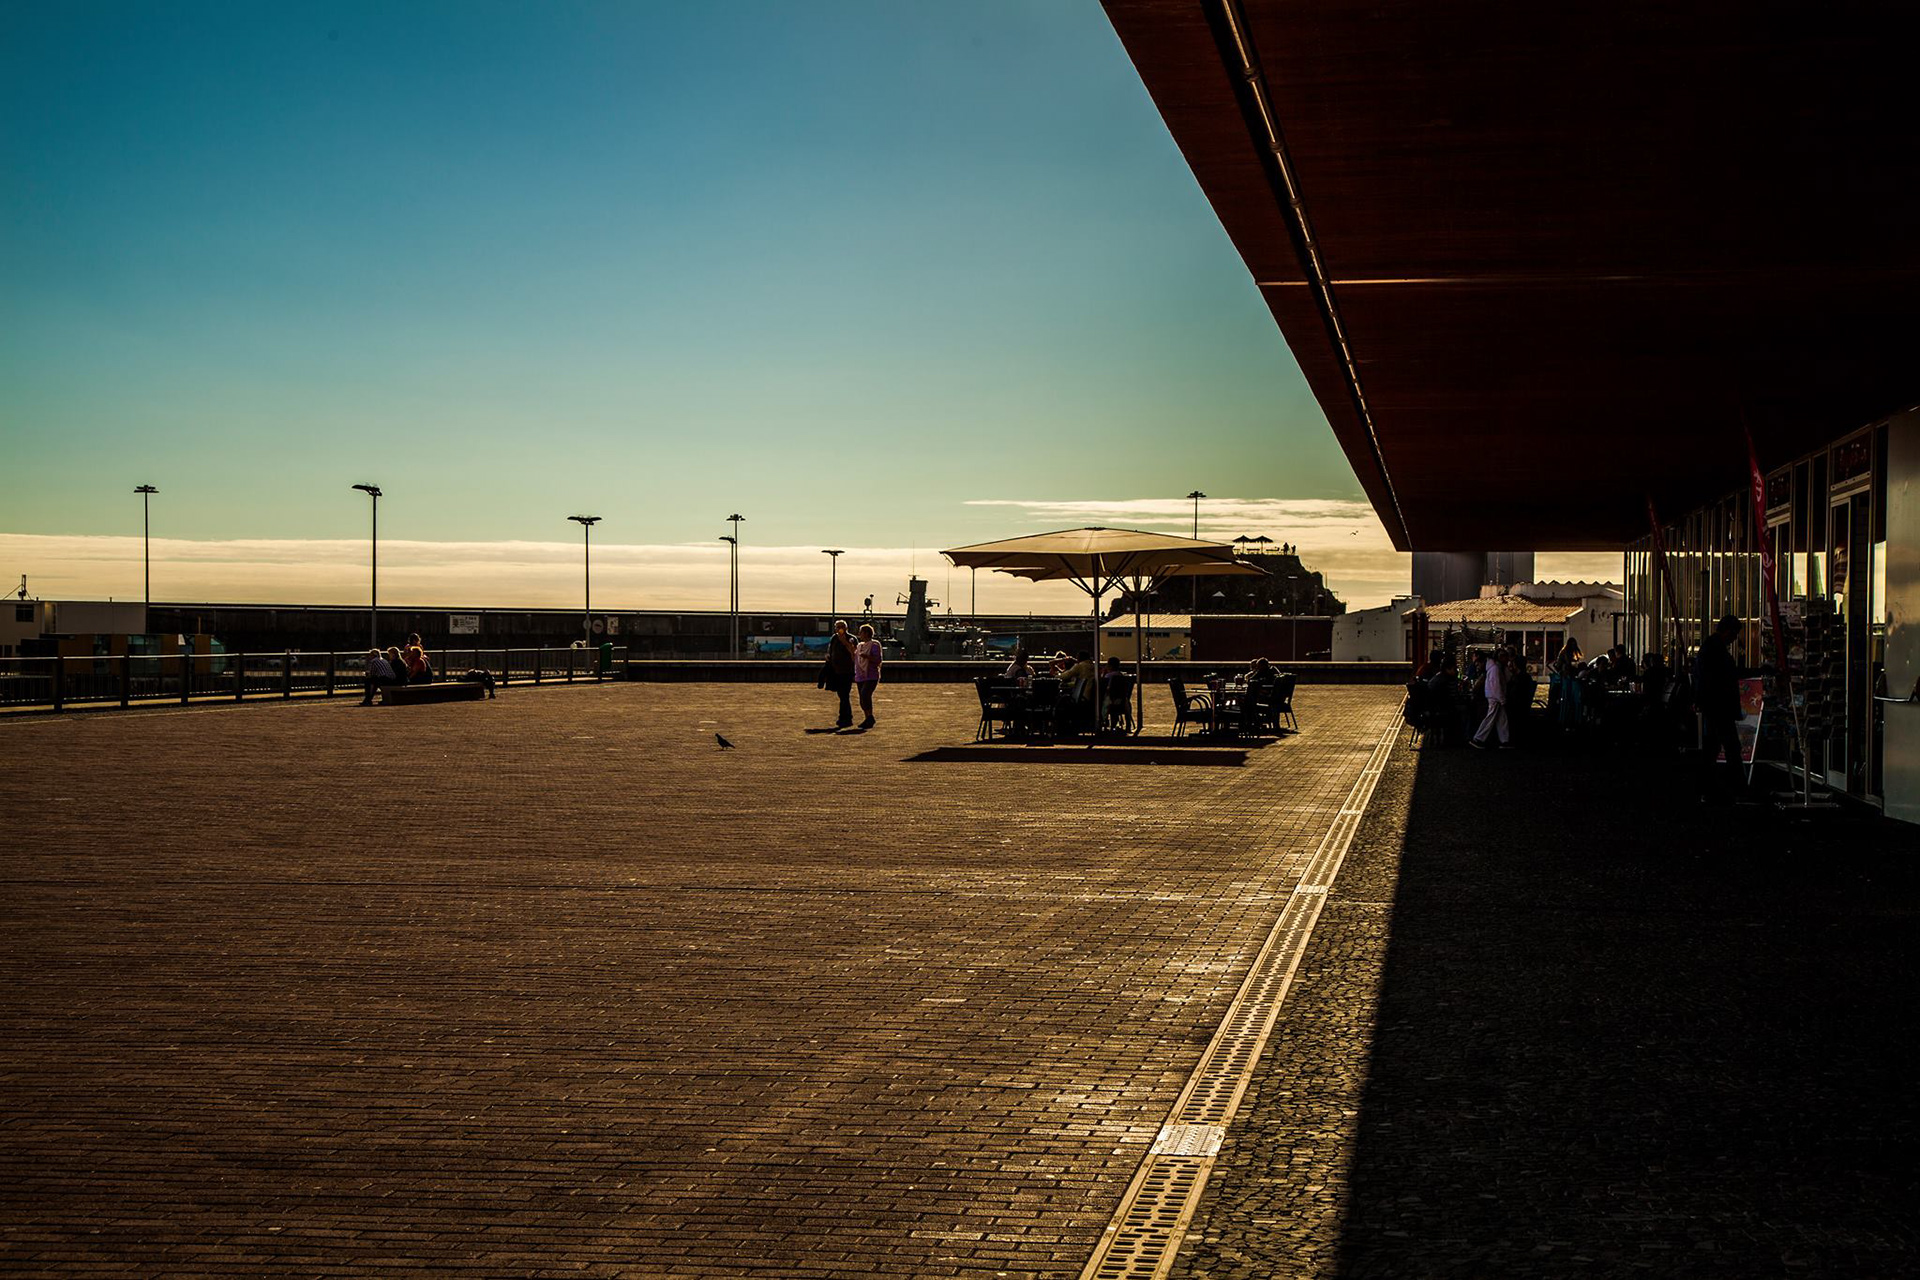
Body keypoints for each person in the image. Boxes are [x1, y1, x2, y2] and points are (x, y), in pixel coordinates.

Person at [1693, 614, 1746, 802]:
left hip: (1713, 705)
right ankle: (1735, 787)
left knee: (1713, 747)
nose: (1734, 639)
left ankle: (1711, 787)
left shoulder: (1709, 648)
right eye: (1733, 634)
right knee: (1728, 746)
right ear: (1727, 632)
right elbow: (1723, 676)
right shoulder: (1716, 651)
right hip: (1719, 705)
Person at [819, 619, 857, 728]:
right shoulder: (834, 638)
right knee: (841, 695)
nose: (839, 629)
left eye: (842, 626)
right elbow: (831, 650)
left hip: (847, 671)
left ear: (846, 628)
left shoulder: (851, 638)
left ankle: (845, 718)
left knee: (844, 694)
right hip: (836, 671)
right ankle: (844, 717)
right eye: (837, 627)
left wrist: (844, 641)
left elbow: (854, 653)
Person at [1471, 646, 1510, 749]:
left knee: (1497, 719)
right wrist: (1502, 699)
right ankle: (1481, 738)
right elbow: (1496, 686)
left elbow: (1495, 686)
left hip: (1493, 697)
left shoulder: (1492, 669)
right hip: (1496, 697)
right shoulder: (1495, 668)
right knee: (1496, 719)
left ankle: (1502, 740)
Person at [852, 623, 883, 729]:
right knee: (862, 698)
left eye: (861, 632)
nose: (860, 634)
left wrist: (867, 657)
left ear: (866, 633)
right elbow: (855, 658)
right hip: (860, 675)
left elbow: (878, 660)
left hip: (871, 675)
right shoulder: (860, 646)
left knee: (865, 695)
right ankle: (867, 718)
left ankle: (870, 717)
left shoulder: (874, 645)